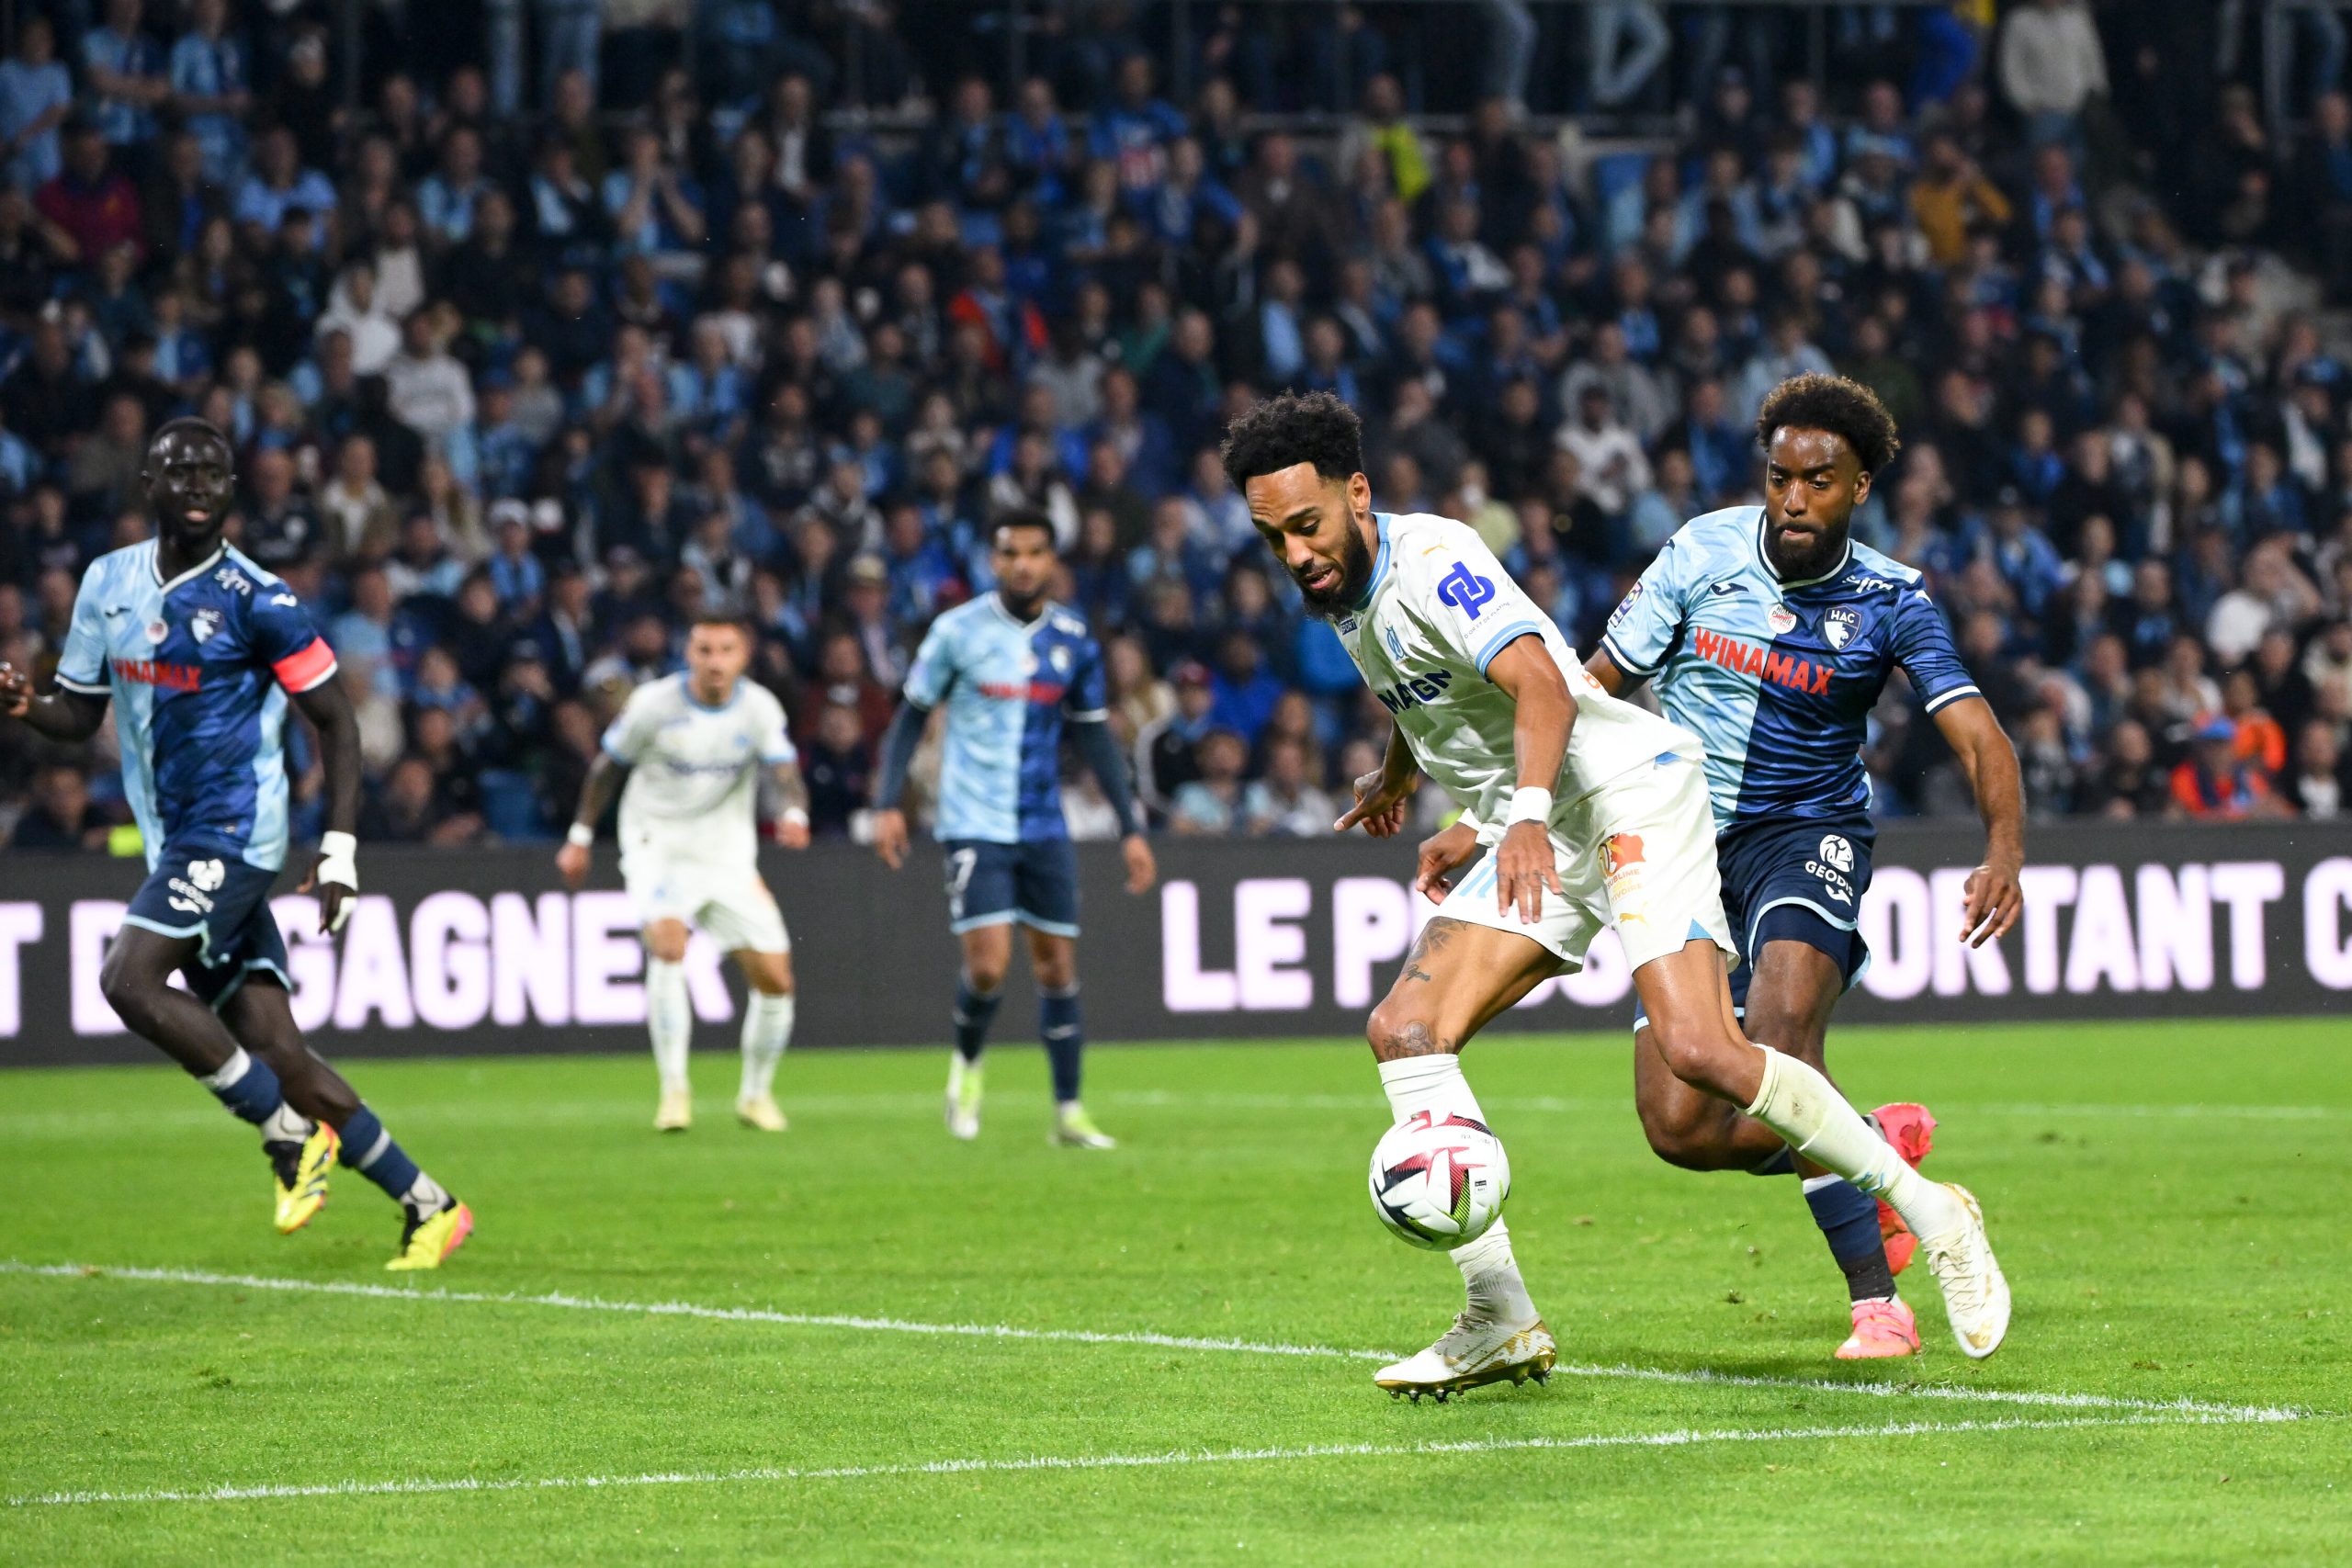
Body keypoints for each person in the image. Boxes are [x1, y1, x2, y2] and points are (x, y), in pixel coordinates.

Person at [1222, 391, 2007, 1399]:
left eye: (1306, 526)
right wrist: (1401, 773)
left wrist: (1525, 818)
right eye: (1271, 537)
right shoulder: (1343, 583)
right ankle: (1496, 1315)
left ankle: (1932, 1212)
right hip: (1546, 817)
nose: (1293, 553)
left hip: (1625, 792)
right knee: (1405, 1029)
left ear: (1357, 493)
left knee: (1704, 1053)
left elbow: (1544, 684)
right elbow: (1421, 685)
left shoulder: (1435, 561)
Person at [1588, 373, 2027, 1360]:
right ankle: (1875, 1143)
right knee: (1681, 1129)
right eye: (1780, 476)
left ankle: (1878, 1304)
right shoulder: (1699, 552)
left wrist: (2001, 851)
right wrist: (1506, 808)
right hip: (1680, 844)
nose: (1792, 497)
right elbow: (1593, 687)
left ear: (1859, 485)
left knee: (1781, 1032)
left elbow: (1977, 732)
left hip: (1806, 834)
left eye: (1817, 480)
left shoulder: (1890, 598)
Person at [0, 419, 470, 1269]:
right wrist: (28, 705)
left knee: (127, 978)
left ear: (231, 491)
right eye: (179, 470)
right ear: (149, 482)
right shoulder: (108, 584)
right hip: (174, 839)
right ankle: (428, 1201)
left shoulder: (259, 598)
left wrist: (339, 850)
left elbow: (338, 721)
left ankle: (290, 1139)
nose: (196, 484)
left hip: (236, 835)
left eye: (213, 473)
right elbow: (80, 713)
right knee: (278, 1048)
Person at [870, 510, 1158, 1148]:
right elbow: (909, 718)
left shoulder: (1075, 635)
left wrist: (1130, 826)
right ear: (992, 560)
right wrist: (887, 801)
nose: (1023, 563)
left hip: (1043, 823)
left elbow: (1094, 737)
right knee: (990, 966)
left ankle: (1070, 1112)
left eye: (1035, 551)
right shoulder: (956, 631)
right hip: (973, 820)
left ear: (1052, 560)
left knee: (1057, 965)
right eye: (1010, 552)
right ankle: (967, 1068)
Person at [557, 614, 810, 1132]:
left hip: (726, 854)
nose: (714, 662)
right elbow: (607, 769)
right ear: (688, 655)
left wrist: (793, 814)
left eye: (725, 651)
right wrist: (580, 837)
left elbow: (784, 772)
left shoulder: (759, 708)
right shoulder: (653, 705)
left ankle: (755, 1096)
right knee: (669, 945)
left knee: (776, 980)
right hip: (658, 844)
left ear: (744, 657)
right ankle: (675, 1090)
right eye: (703, 650)